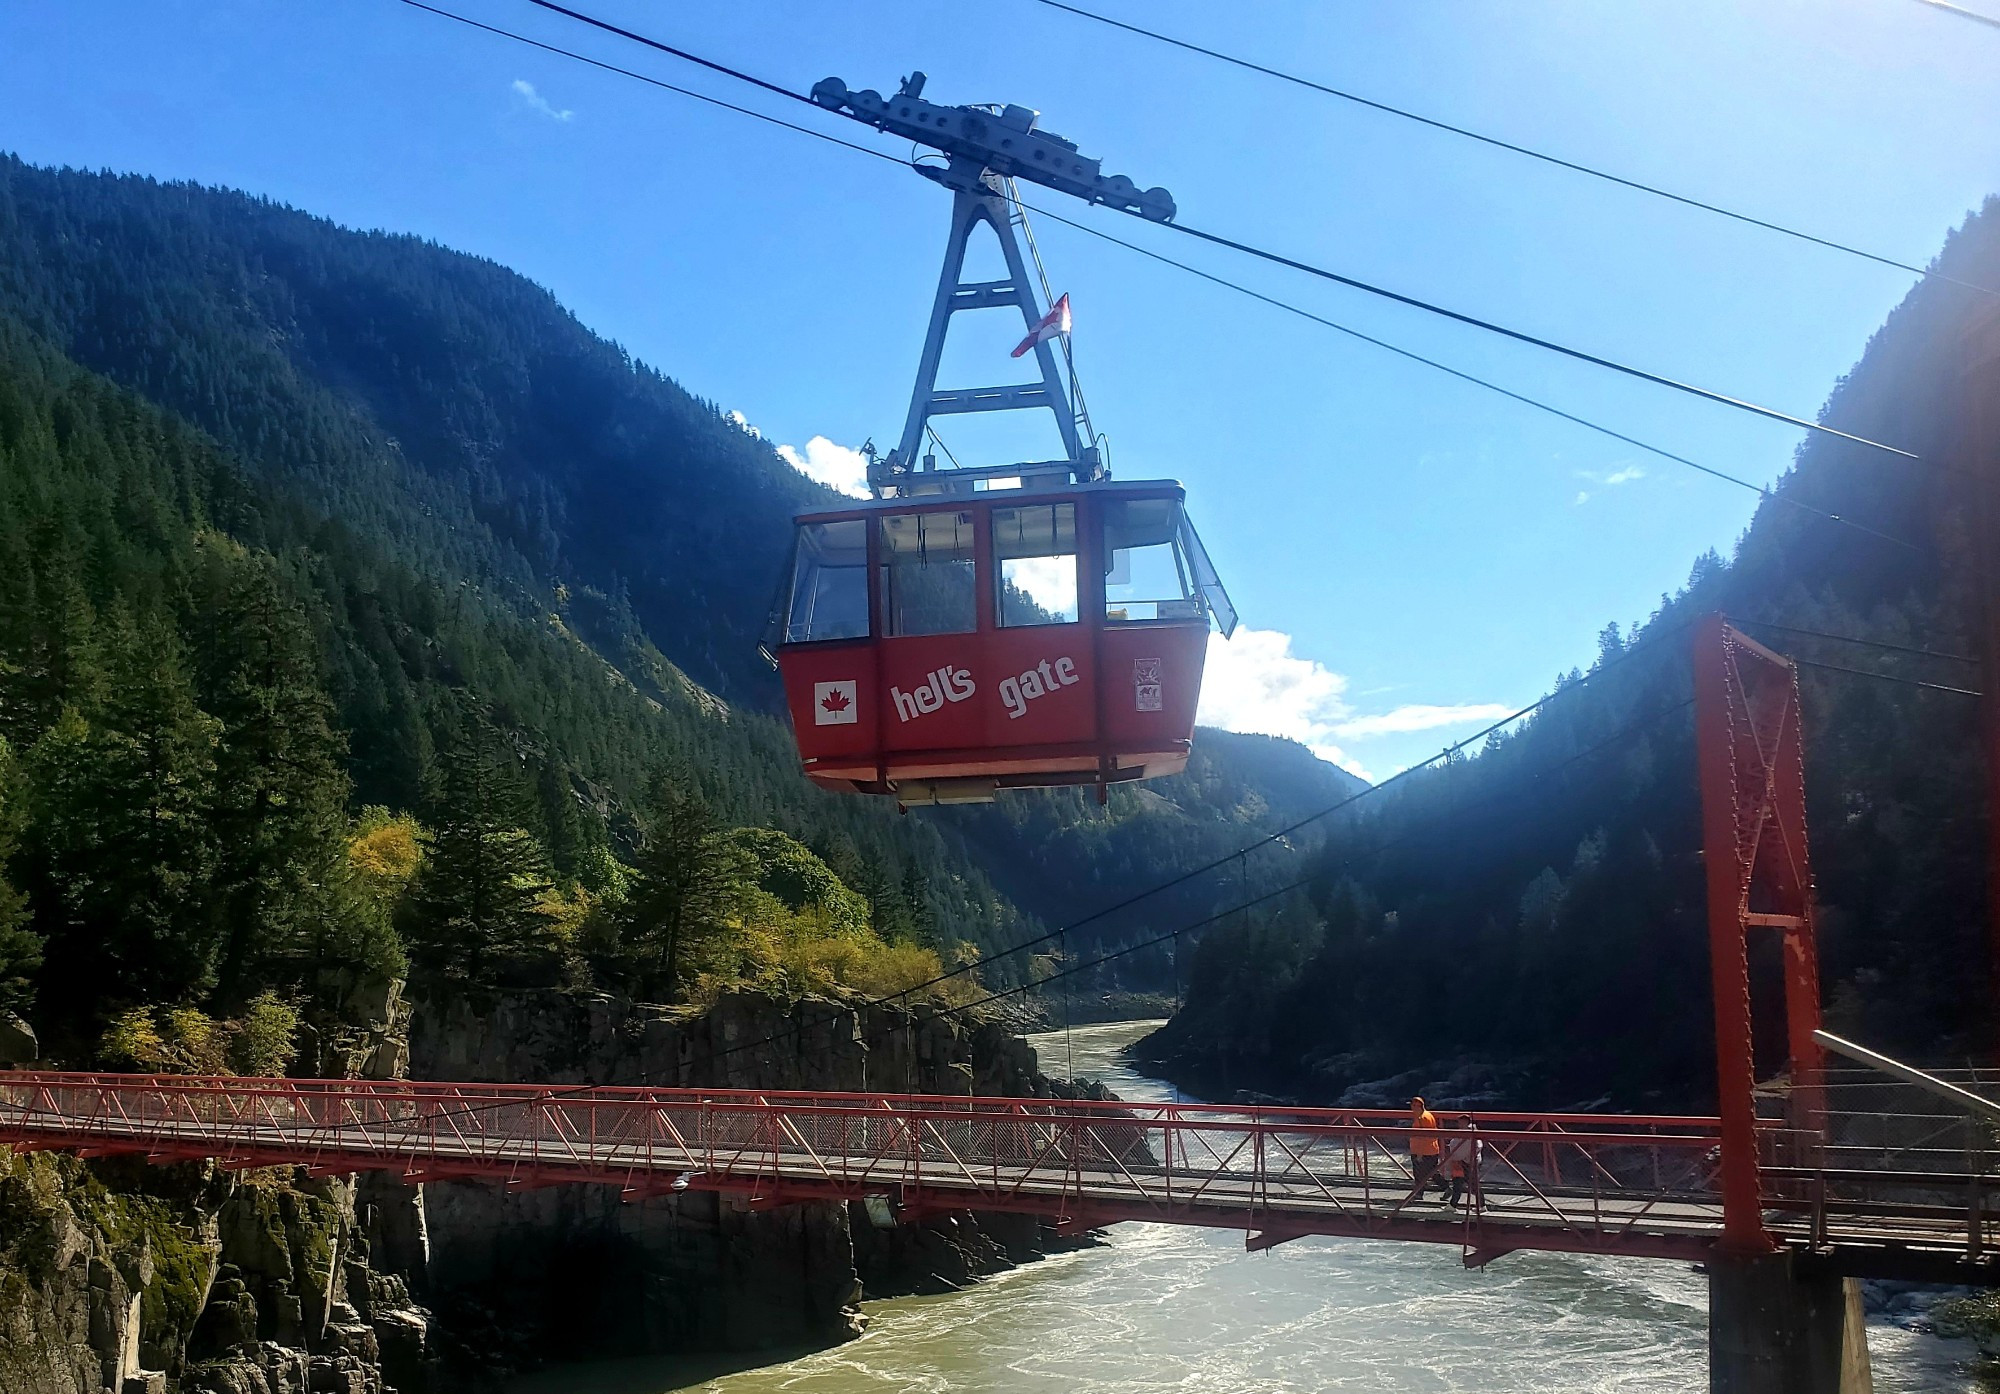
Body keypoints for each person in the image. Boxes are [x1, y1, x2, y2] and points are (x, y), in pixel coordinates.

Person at [1404, 1096, 1444, 1202]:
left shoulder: (1422, 1118)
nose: (1411, 1108)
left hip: (1423, 1151)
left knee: (1419, 1174)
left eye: (1413, 1105)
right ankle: (1446, 1188)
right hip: (1431, 1149)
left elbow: (1424, 1136)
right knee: (1432, 1172)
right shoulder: (1427, 1115)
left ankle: (1419, 1194)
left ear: (1418, 1106)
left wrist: (1419, 1154)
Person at [1445, 1114, 1482, 1209]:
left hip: (1468, 1162)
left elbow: (1476, 1147)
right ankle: (1453, 1205)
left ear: (1466, 1122)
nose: (1459, 1124)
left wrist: (1468, 1158)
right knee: (1457, 1184)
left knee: (1473, 1185)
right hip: (1459, 1162)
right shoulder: (1462, 1132)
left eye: (1461, 1122)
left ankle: (1482, 1205)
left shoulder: (1471, 1133)